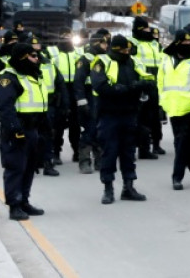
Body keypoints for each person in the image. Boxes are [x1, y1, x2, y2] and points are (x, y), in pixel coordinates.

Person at [91, 35, 151, 204]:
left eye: (128, 50)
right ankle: (108, 188)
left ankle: (129, 187)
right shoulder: (102, 62)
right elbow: (100, 86)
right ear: (115, 49)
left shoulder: (132, 62)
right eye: (124, 50)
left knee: (128, 152)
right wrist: (125, 89)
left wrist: (142, 86)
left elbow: (147, 79)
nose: (127, 53)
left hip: (129, 113)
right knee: (109, 152)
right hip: (109, 114)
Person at [0, 42, 48, 220]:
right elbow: (5, 107)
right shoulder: (8, 78)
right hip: (17, 129)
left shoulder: (32, 75)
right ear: (22, 58)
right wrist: (15, 129)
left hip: (32, 128)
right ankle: (14, 205)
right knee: (15, 168)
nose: (37, 59)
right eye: (33, 56)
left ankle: (24, 201)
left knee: (29, 167)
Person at [159, 29, 190, 190]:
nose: (188, 45)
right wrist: (163, 100)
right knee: (181, 143)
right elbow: (160, 81)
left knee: (183, 142)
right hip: (173, 107)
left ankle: (176, 177)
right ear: (177, 43)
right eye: (184, 42)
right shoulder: (166, 60)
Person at [73, 32, 107, 174]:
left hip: (101, 99)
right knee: (89, 130)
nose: (106, 46)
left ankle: (100, 160)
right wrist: (82, 102)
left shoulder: (106, 58)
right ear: (95, 43)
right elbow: (79, 82)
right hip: (89, 99)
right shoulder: (85, 59)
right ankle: (84, 161)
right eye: (103, 43)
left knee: (101, 130)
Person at [31, 34, 64, 177]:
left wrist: (64, 105)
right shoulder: (20, 67)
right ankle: (32, 163)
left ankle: (47, 163)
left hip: (48, 106)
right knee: (32, 136)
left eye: (37, 46)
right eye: (32, 48)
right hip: (29, 108)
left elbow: (60, 85)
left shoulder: (49, 65)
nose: (35, 51)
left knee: (47, 135)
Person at [131, 17, 164, 159]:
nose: (148, 31)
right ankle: (142, 147)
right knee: (143, 117)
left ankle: (156, 144)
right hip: (142, 85)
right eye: (145, 29)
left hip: (156, 84)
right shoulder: (133, 43)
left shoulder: (154, 44)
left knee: (156, 116)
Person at [52, 29, 82, 164]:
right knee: (58, 124)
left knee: (75, 124)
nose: (67, 39)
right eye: (64, 37)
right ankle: (56, 152)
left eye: (69, 37)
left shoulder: (77, 52)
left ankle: (77, 151)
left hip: (74, 90)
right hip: (59, 91)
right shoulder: (53, 52)